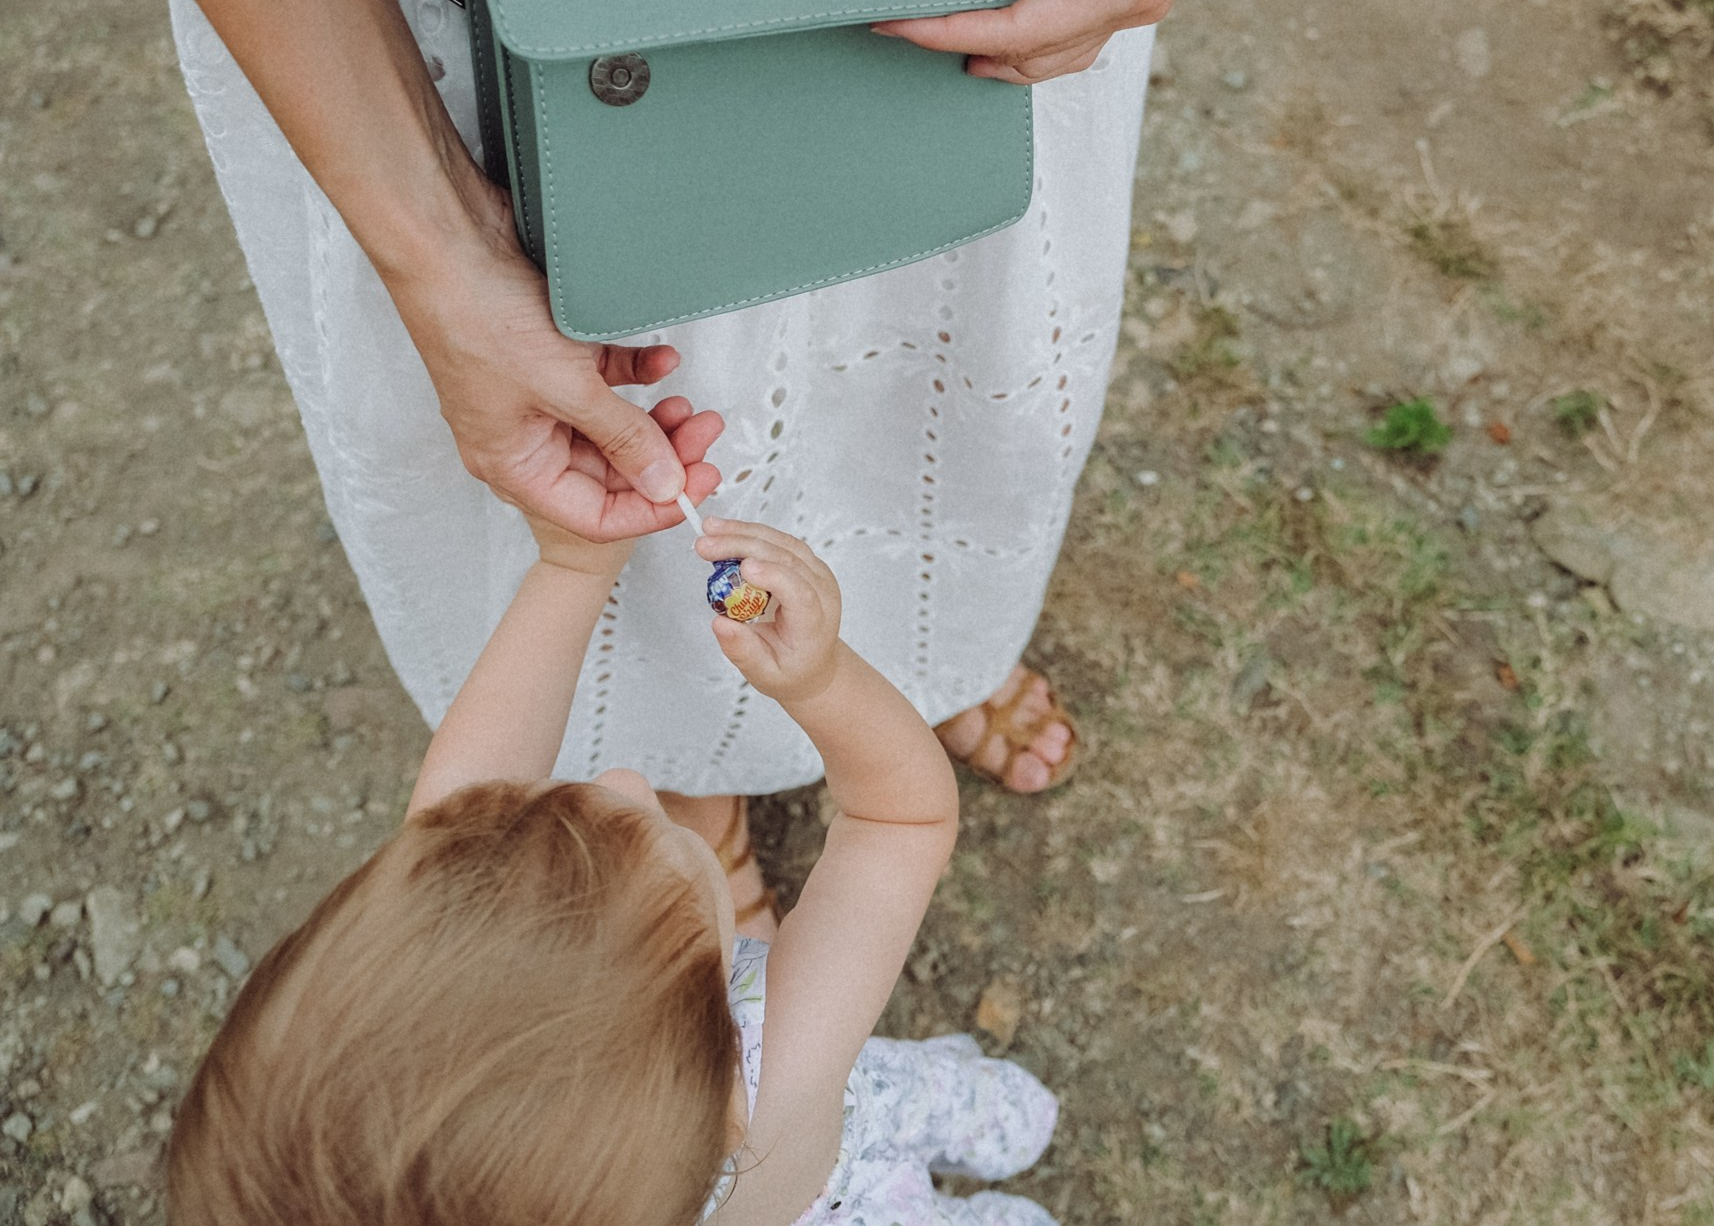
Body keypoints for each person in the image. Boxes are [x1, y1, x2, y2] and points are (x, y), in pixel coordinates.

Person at [0, 0, 1306, 898]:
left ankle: (918, 648)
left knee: (940, 311)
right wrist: (431, 246)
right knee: (603, 379)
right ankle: (686, 756)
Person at [167, 473, 1059, 1226]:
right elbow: (899, 822)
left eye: (541, 812)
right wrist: (823, 680)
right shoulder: (781, 1078)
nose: (629, 779)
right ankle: (980, 1135)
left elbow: (468, 793)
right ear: (719, 1077)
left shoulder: (439, 945)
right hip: (841, 1163)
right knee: (925, 1108)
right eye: (666, 849)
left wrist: (573, 562)